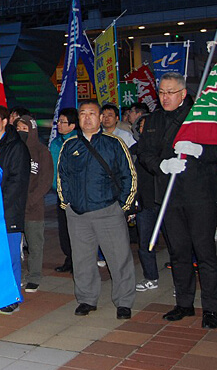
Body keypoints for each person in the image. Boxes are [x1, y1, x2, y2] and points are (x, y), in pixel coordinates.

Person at [137, 72, 217, 329]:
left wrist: (200, 151)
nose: (165, 97)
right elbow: (144, 154)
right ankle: (184, 303)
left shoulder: (201, 116)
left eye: (170, 92)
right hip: (170, 196)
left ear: (183, 94)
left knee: (205, 254)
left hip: (200, 195)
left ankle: (211, 308)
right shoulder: (154, 119)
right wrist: (162, 165)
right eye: (161, 92)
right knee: (178, 253)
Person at [58, 99, 137, 320]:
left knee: (118, 258)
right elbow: (62, 176)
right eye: (82, 114)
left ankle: (124, 301)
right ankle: (86, 299)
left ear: (101, 117)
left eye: (92, 114)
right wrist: (67, 204)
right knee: (82, 260)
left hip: (107, 210)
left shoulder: (113, 144)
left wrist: (122, 205)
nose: (87, 118)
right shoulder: (70, 145)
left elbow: (128, 175)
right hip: (78, 214)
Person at [0, 105, 31, 313]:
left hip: (7, 210)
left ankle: (12, 297)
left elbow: (17, 183)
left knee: (10, 255)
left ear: (5, 122)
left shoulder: (16, 147)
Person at [15, 114, 53, 293]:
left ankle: (34, 276)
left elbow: (45, 181)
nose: (21, 132)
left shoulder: (41, 151)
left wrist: (30, 200)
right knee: (15, 245)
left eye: (24, 129)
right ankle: (18, 275)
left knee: (34, 244)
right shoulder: (14, 150)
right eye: (18, 129)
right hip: (15, 208)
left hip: (33, 208)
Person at [132, 114, 160, 292]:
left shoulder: (164, 148)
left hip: (165, 203)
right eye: (141, 126)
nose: (144, 129)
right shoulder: (134, 150)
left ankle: (182, 282)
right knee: (145, 244)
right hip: (144, 204)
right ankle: (151, 276)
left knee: (176, 244)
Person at [50, 107, 78, 273]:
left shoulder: (78, 142)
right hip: (60, 193)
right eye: (58, 121)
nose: (59, 125)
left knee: (77, 230)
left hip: (75, 194)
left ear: (73, 125)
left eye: (63, 122)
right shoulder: (55, 143)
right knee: (64, 229)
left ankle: (78, 261)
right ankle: (69, 258)